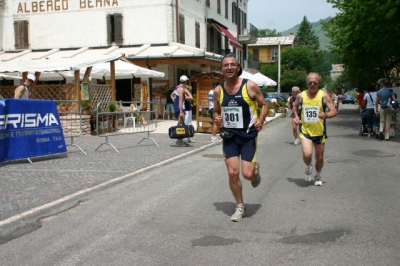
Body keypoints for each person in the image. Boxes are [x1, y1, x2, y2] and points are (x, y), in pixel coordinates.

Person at [213, 53, 268, 222]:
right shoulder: (218, 90)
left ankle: (255, 172)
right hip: (230, 137)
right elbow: (215, 111)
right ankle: (240, 207)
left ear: (238, 68)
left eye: (232, 64)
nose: (229, 67)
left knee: (248, 174)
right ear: (221, 69)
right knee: (232, 172)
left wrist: (261, 119)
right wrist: (217, 118)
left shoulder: (249, 86)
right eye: (225, 65)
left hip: (248, 136)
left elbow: (264, 104)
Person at [293, 73, 337, 186]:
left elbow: (333, 111)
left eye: (315, 82)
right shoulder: (301, 96)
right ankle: (308, 166)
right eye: (310, 82)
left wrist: (326, 115)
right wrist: (296, 117)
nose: (312, 84)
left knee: (319, 157)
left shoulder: (324, 96)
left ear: (319, 83)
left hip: (319, 132)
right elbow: (295, 106)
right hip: (305, 131)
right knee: (307, 155)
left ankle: (318, 174)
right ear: (307, 83)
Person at [172, 75, 193, 146]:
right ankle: (179, 139)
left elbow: (172, 96)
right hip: (181, 108)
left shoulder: (176, 88)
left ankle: (184, 138)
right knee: (180, 124)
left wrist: (175, 103)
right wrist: (181, 110)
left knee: (182, 123)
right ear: (185, 81)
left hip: (177, 107)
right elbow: (181, 100)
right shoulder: (181, 89)